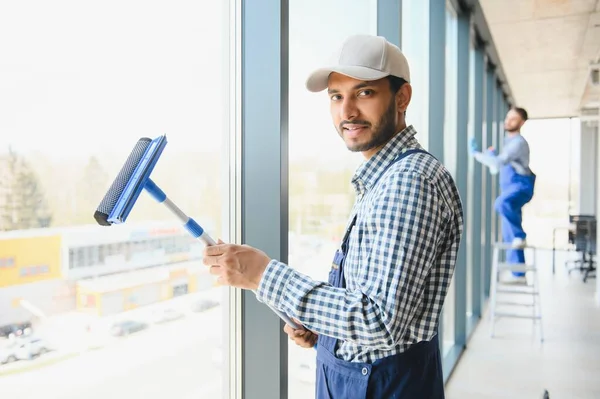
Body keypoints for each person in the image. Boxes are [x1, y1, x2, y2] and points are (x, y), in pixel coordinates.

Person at [203, 34, 463, 398]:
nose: (347, 112)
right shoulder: (383, 178)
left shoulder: (409, 182)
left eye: (364, 93)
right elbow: (370, 300)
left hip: (381, 386)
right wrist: (323, 328)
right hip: (363, 377)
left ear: (402, 98)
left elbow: (380, 321)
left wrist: (263, 274)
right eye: (337, 97)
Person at [469, 107, 535, 278]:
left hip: (520, 187)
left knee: (501, 204)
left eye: (513, 119)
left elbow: (498, 163)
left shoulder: (518, 143)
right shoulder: (508, 143)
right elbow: (496, 167)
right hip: (509, 188)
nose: (508, 121)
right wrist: (490, 156)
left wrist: (477, 155)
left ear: (522, 122)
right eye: (508, 117)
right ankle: (518, 274)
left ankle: (520, 236)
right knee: (509, 233)